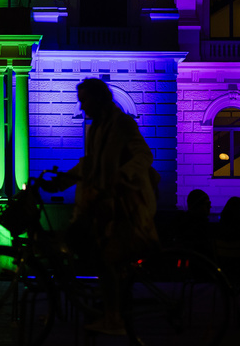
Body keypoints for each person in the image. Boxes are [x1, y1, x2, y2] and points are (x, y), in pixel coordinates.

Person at [40, 78, 159, 332]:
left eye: (85, 101)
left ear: (98, 99)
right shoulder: (95, 129)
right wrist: (59, 183)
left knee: (105, 257)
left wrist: (123, 175)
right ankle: (103, 301)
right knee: (79, 240)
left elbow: (145, 155)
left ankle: (113, 317)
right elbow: (89, 164)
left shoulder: (122, 124)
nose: (82, 108)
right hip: (105, 204)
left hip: (127, 205)